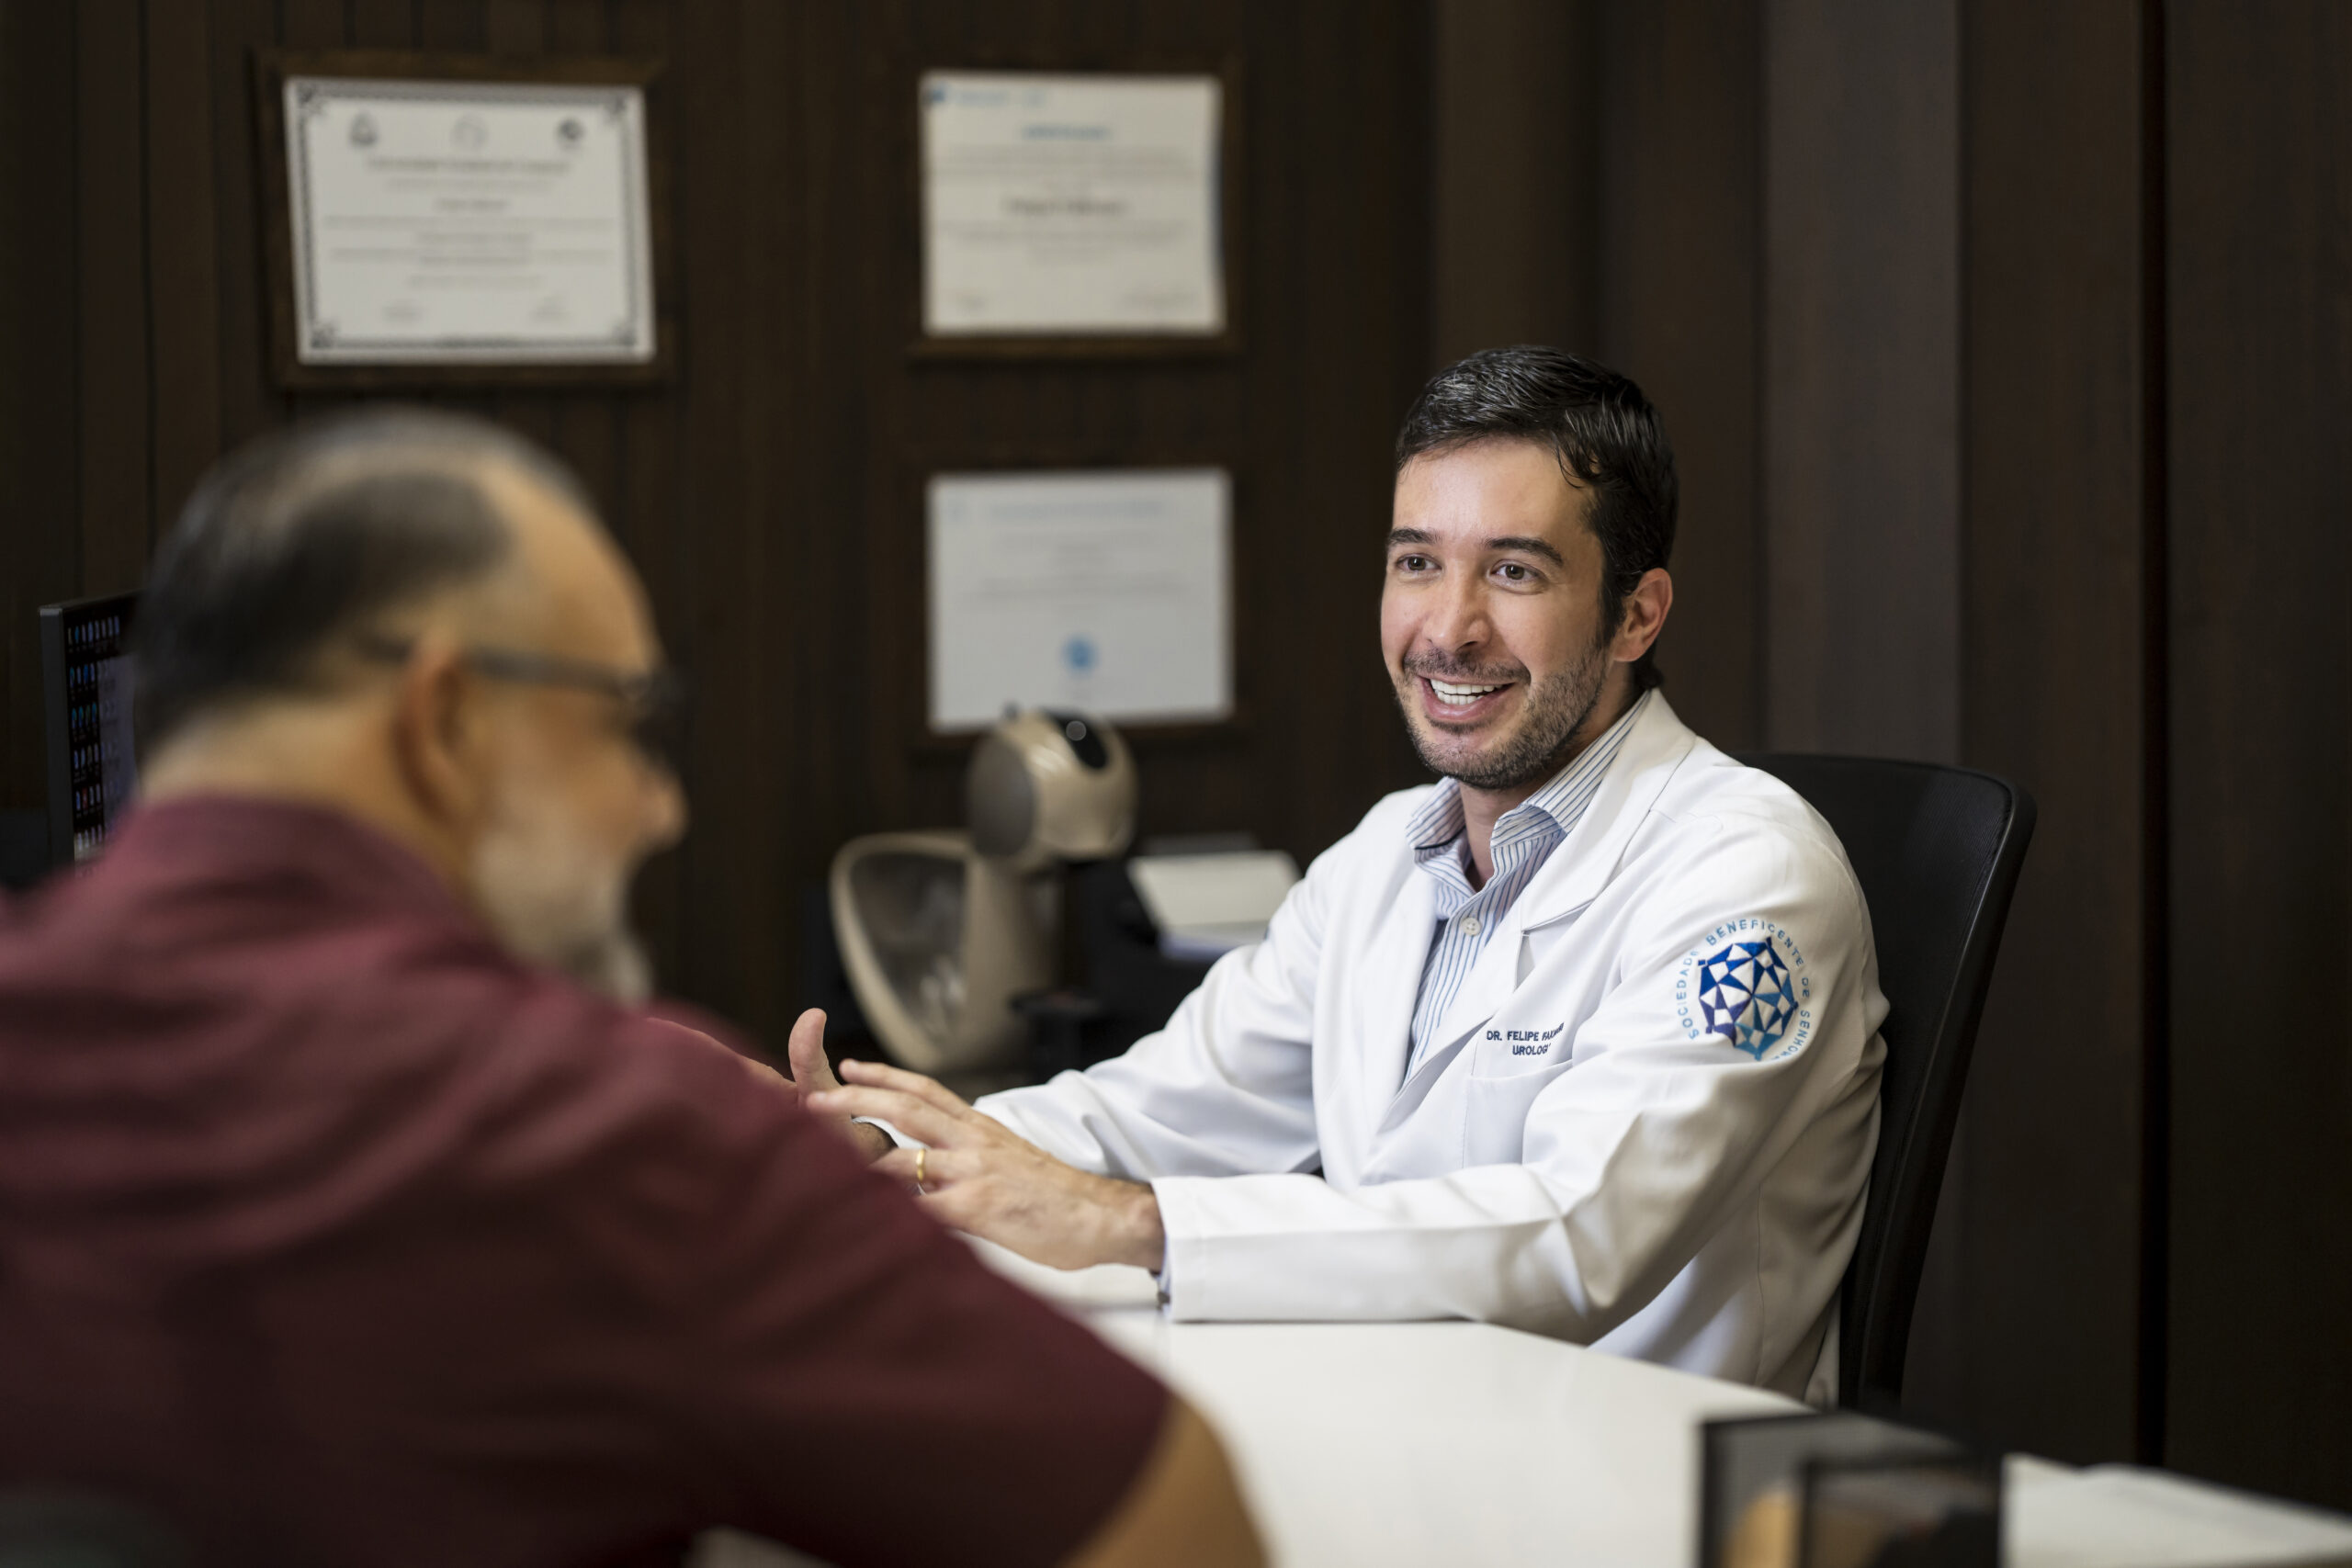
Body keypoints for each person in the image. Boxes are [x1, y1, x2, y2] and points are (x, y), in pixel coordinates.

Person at [0, 410, 1261, 1568]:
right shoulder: (602, 1129)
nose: (660, 806)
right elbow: (1180, 1526)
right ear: (443, 719)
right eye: (626, 718)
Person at [801, 347, 1889, 1404]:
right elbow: (1155, 1114)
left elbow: (1581, 1234)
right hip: (1407, 1430)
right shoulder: (1385, 854)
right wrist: (865, 1151)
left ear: (1636, 615)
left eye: (1513, 571)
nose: (1447, 631)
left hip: (1644, 1492)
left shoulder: (1750, 879)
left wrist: (1133, 1224)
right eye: (1418, 561)